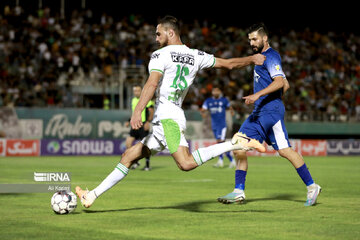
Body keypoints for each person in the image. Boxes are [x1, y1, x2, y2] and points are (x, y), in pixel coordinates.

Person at [75, 15, 266, 208]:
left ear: (170, 32)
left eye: (159, 34)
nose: (156, 38)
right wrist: (251, 59)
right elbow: (229, 64)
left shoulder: (160, 55)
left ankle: (235, 143)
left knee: (186, 164)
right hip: (167, 117)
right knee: (129, 156)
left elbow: (152, 83)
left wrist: (137, 111)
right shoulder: (196, 55)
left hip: (168, 116)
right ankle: (91, 195)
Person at [217, 23, 321, 207]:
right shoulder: (262, 58)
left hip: (269, 112)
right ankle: (239, 191)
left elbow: (280, 82)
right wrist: (273, 96)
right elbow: (285, 84)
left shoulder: (270, 56)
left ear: (265, 38)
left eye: (255, 39)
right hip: (263, 110)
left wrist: (259, 95)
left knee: (241, 143)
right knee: (282, 151)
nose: (251, 43)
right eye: (249, 39)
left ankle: (240, 188)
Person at [201, 86, 235, 168]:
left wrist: (231, 111)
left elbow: (230, 108)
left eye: (217, 91)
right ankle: (224, 161)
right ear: (212, 92)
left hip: (222, 125)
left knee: (221, 143)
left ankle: (229, 161)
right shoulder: (208, 101)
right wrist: (203, 113)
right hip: (214, 125)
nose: (215, 92)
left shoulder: (224, 100)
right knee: (219, 143)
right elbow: (203, 109)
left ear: (220, 92)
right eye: (214, 91)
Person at [125, 85, 154, 171]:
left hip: (143, 124)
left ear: (141, 91)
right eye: (135, 91)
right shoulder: (133, 100)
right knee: (128, 143)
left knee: (144, 145)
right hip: (135, 125)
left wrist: (148, 122)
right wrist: (129, 120)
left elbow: (151, 111)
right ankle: (136, 161)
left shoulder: (146, 99)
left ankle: (147, 165)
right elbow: (134, 112)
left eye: (138, 91)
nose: (136, 92)